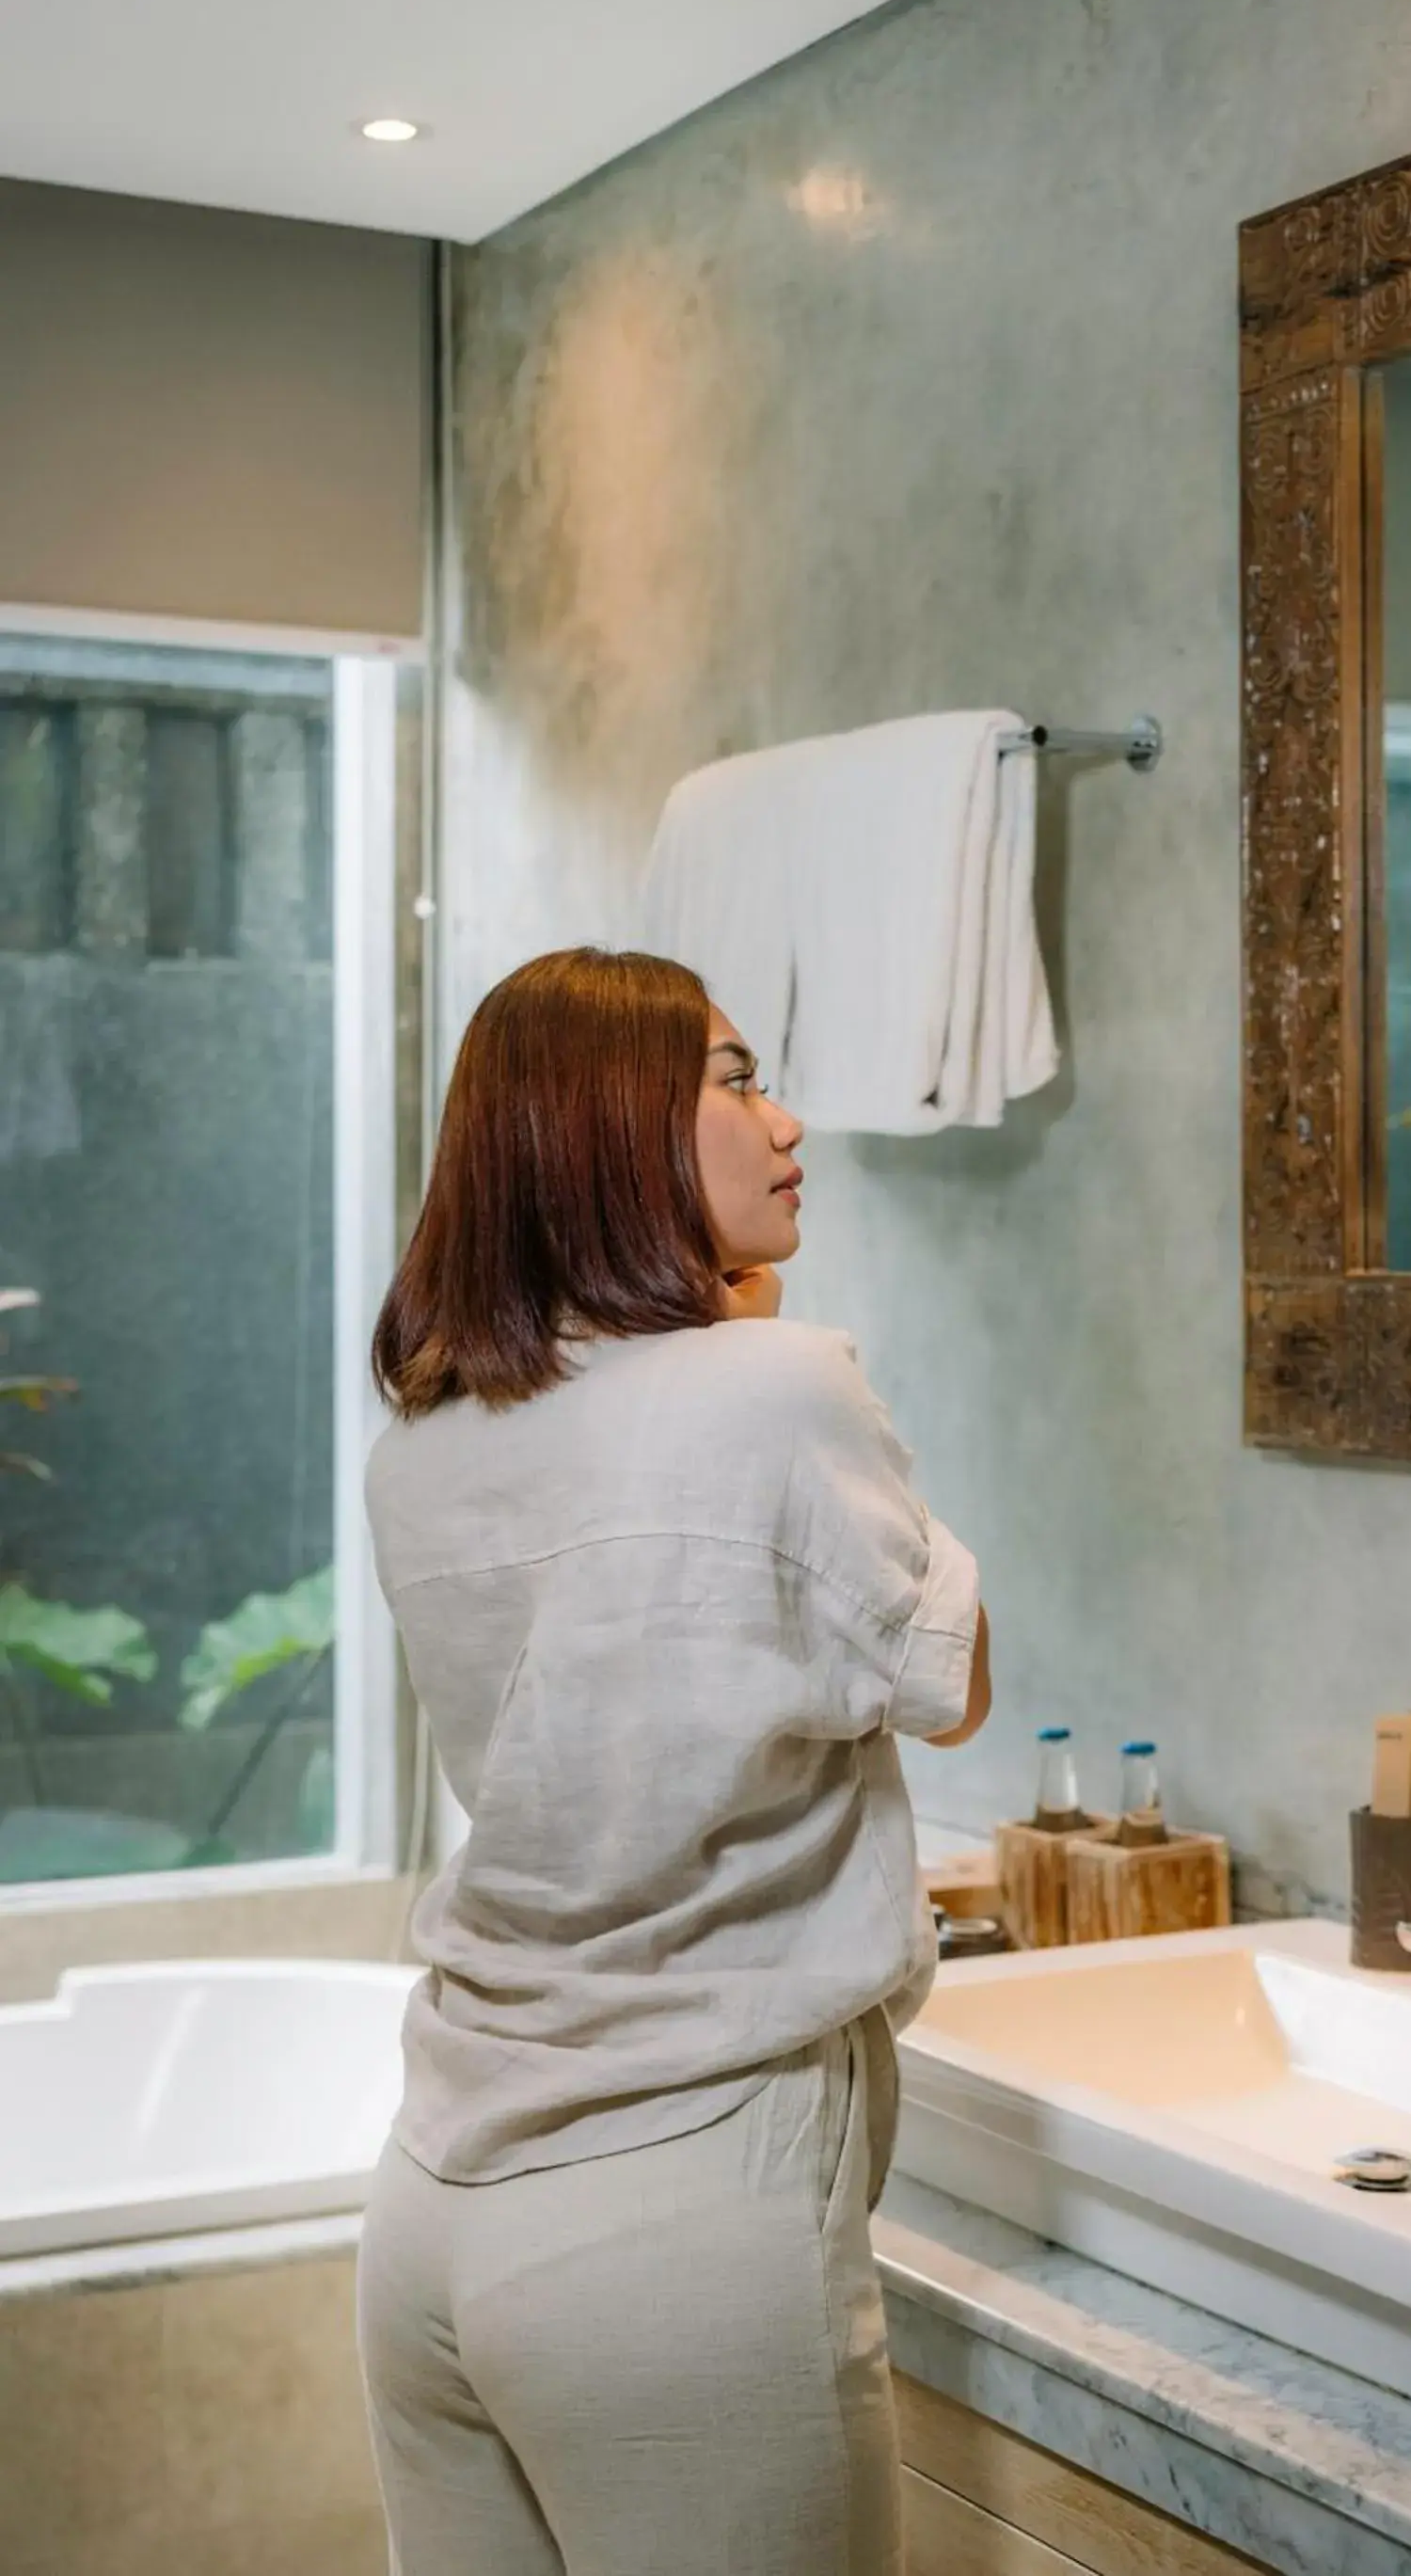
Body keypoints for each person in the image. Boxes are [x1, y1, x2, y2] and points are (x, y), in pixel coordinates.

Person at [356, 945, 991, 2576]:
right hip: (677, 2209)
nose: (786, 1121)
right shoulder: (775, 1385)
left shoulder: (427, 1438)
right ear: (610, 1130)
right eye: (733, 1078)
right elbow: (951, 1682)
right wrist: (763, 1339)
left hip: (439, 2198)